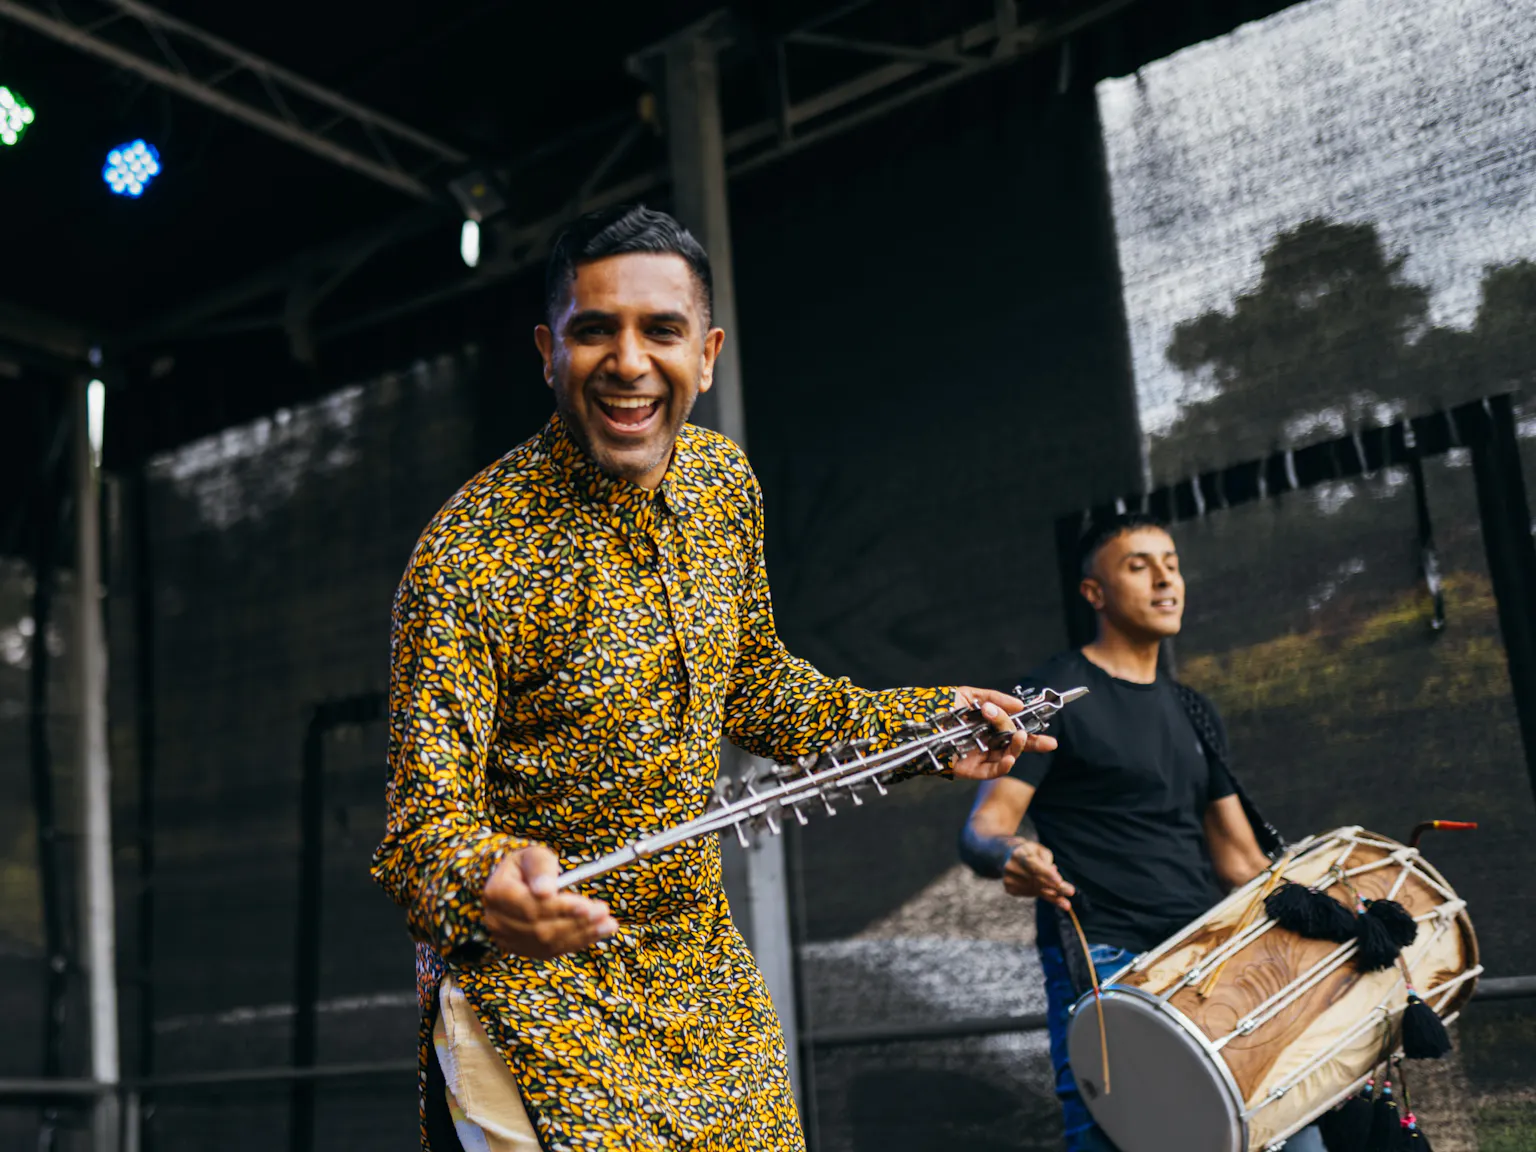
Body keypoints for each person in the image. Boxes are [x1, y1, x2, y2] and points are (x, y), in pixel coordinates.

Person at [371, 203, 1055, 1152]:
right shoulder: (468, 552)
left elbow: (758, 687)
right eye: (593, 330)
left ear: (708, 350)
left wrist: (927, 728)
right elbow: (419, 833)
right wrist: (486, 881)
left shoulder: (722, 488)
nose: (628, 362)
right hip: (534, 997)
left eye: (661, 330)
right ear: (546, 349)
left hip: (703, 987)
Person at [958, 513, 1323, 1152]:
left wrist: (1337, 914)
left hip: (1212, 956)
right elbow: (986, 828)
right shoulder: (1052, 697)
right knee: (1123, 1138)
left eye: (1172, 563)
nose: (1164, 580)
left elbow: (1240, 862)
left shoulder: (1191, 710)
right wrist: (1012, 855)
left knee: (1289, 1133)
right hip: (1110, 960)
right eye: (1138, 565)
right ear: (1094, 592)